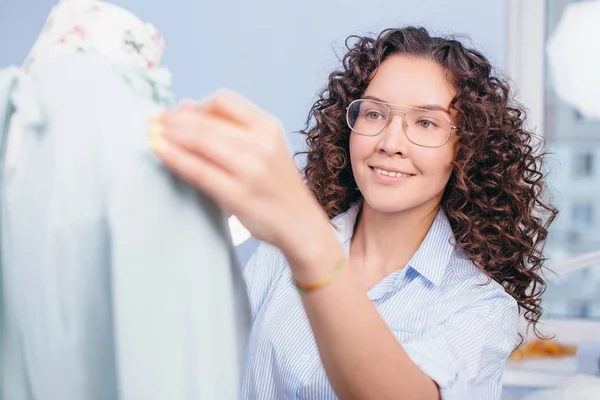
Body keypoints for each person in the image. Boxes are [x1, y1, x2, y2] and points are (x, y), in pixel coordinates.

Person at [148, 26, 558, 399]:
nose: (391, 141)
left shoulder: (480, 306)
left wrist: (308, 243)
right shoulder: (278, 252)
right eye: (375, 114)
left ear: (464, 150)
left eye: (426, 123)